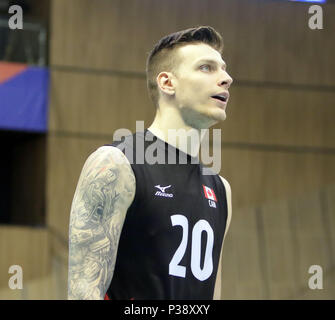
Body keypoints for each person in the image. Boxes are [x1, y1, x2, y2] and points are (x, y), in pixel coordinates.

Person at [68, 26, 233, 300]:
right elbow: (83, 292)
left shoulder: (221, 190)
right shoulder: (115, 165)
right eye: (206, 68)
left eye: (224, 69)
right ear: (167, 83)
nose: (226, 78)